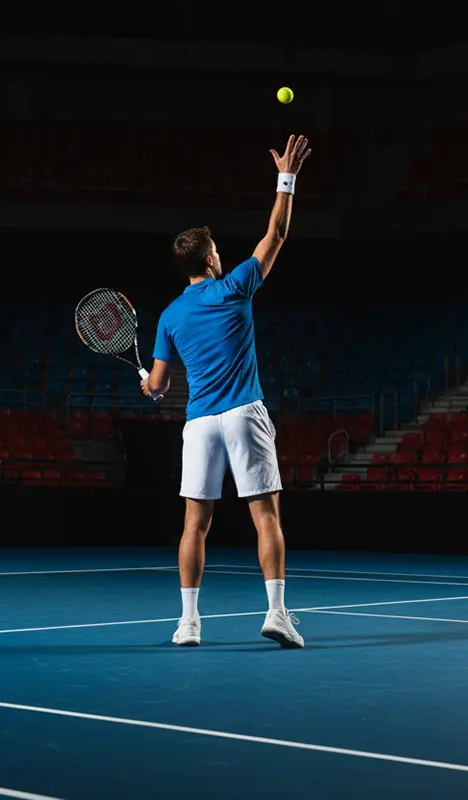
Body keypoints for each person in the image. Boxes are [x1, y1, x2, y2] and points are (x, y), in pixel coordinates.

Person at [140, 134, 311, 649]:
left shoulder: (170, 315)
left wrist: (148, 386)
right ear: (211, 259)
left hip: (199, 423)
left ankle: (188, 623)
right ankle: (277, 613)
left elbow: (159, 383)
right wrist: (288, 177)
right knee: (266, 515)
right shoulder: (235, 284)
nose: (221, 254)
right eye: (217, 249)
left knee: (196, 524)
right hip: (243, 413)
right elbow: (276, 233)